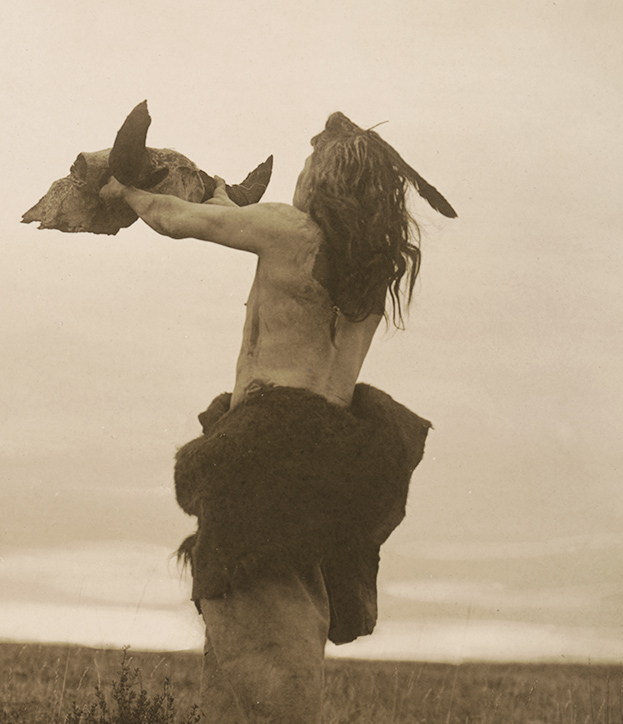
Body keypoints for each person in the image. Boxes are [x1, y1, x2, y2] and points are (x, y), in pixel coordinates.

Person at [100, 112, 454, 723]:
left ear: (321, 178)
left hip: (263, 455)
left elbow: (172, 220)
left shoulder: (292, 231)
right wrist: (220, 195)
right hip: (323, 463)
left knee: (256, 641)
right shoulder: (370, 269)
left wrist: (124, 188)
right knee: (287, 620)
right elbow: (220, 212)